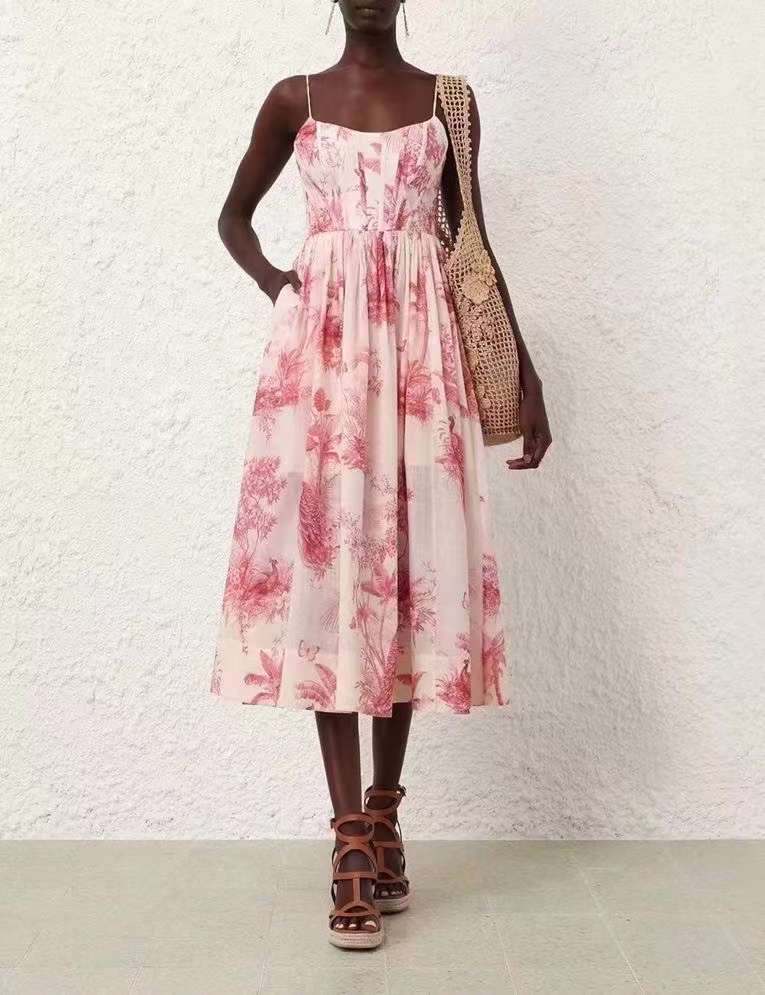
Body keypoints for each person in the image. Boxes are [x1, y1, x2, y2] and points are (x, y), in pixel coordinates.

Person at [210, 0, 551, 950]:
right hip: (321, 365)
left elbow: (471, 248)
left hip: (422, 359)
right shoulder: (293, 99)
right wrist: (280, 283)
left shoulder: (449, 102)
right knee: (332, 581)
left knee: (405, 578)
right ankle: (349, 839)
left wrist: (523, 374)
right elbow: (232, 217)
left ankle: (386, 810)